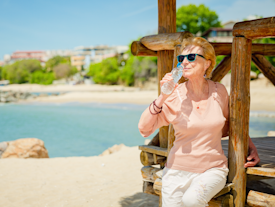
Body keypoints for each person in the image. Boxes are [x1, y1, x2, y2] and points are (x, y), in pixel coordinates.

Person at [138, 37, 260, 207]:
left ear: (207, 63)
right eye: (181, 59)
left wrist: (251, 147)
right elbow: (144, 129)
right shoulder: (174, 96)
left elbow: (232, 126)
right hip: (175, 172)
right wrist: (162, 97)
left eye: (192, 57)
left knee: (192, 200)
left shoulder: (219, 91)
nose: (185, 62)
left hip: (212, 170)